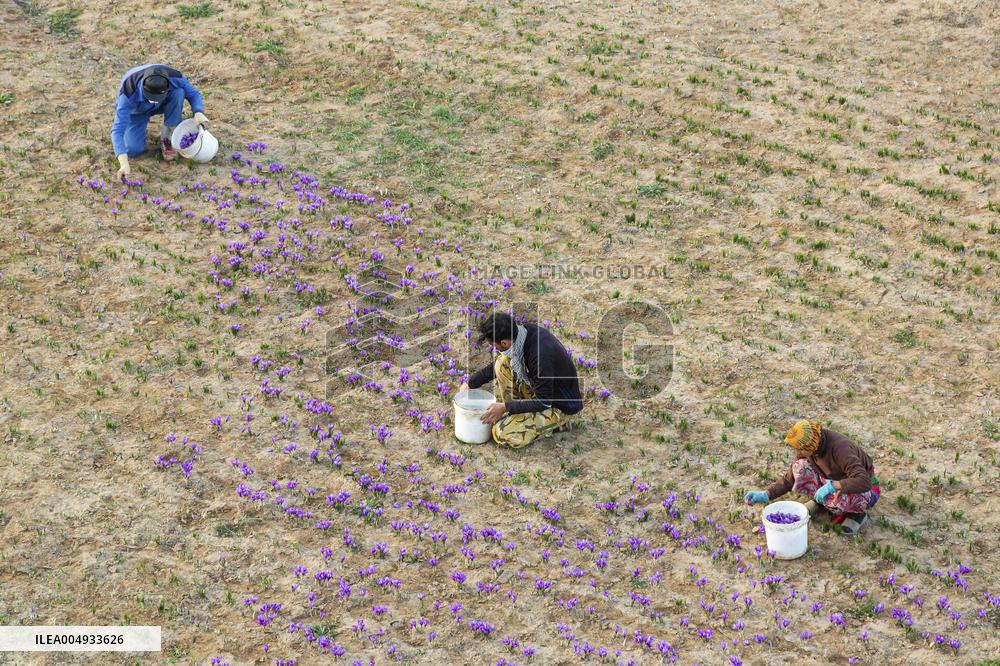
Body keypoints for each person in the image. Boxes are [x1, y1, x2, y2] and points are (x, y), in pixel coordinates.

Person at [460, 312, 583, 449]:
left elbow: (544, 401)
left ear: (504, 343)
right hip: (540, 391)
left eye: (495, 346)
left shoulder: (539, 354)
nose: (496, 349)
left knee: (502, 433)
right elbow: (495, 367)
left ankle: (559, 424)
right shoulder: (521, 334)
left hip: (558, 404)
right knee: (501, 363)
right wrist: (470, 383)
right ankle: (512, 413)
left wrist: (505, 407)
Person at [744, 419, 880, 536]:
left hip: (865, 488)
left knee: (837, 496)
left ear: (811, 444)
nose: (798, 452)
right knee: (800, 466)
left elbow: (864, 481)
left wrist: (833, 486)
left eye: (800, 448)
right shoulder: (811, 448)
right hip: (831, 479)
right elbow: (790, 477)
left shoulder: (840, 449)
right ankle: (821, 503)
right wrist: (767, 494)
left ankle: (857, 514)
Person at [111, 64, 209, 180]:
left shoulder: (175, 78)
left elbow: (193, 94)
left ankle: (168, 135)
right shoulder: (128, 93)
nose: (153, 100)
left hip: (163, 103)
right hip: (137, 112)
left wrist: (198, 112)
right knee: (133, 149)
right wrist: (123, 163)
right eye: (150, 97)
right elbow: (117, 130)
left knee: (178, 92)